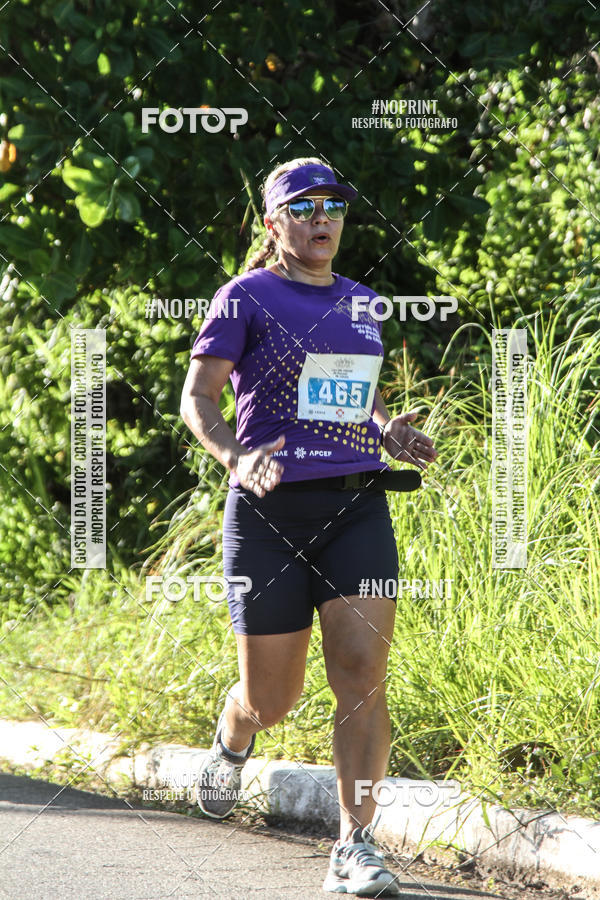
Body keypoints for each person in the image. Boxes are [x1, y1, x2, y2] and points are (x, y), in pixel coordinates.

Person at [180, 156, 437, 896]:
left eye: (334, 207)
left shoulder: (361, 301)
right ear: (275, 224)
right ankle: (235, 735)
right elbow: (199, 398)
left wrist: (388, 430)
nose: (323, 218)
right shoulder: (245, 297)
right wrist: (234, 453)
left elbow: (354, 394)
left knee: (361, 675)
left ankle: (356, 847)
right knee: (275, 700)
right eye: (305, 207)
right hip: (267, 513)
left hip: (356, 505)